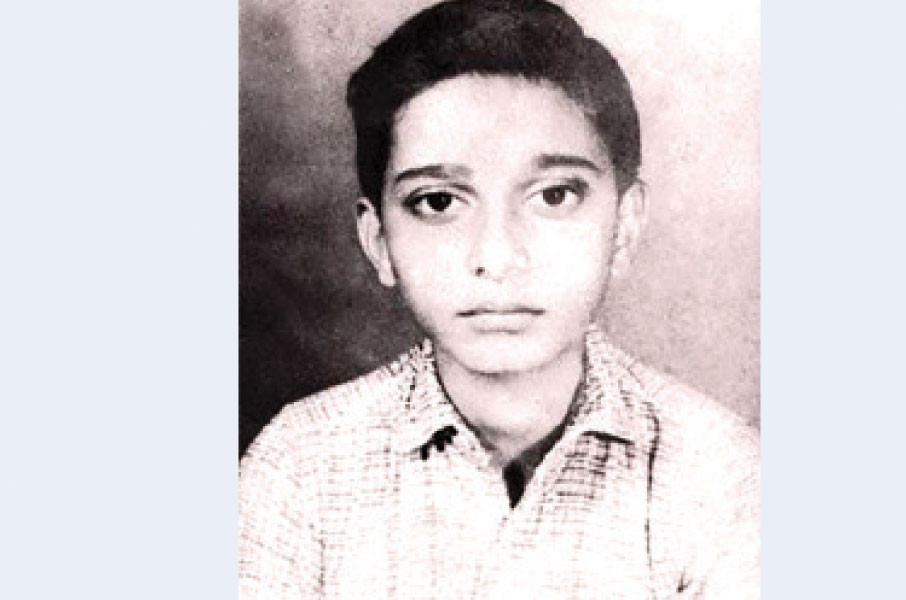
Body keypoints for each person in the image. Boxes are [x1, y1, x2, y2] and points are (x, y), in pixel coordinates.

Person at [238, 0, 759, 598]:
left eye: (555, 195)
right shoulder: (301, 468)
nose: (498, 255)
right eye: (438, 202)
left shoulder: (719, 472)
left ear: (624, 225)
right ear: (379, 240)